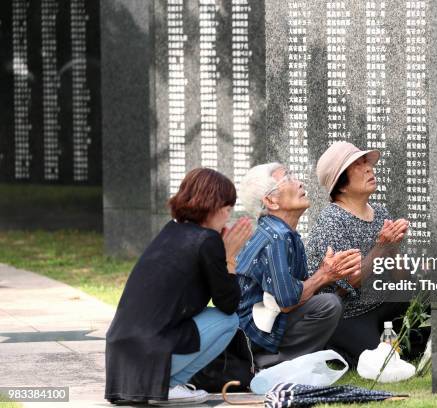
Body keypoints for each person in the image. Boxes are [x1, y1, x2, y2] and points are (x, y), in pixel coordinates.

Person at [105, 168, 252, 405]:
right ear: (213, 206)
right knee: (228, 321)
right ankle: (170, 386)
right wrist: (230, 258)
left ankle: (166, 385)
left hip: (121, 354)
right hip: (151, 352)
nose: (228, 217)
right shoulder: (207, 240)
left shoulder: (170, 230)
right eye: (227, 210)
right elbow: (228, 304)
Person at [236, 162, 362, 369]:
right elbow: (286, 302)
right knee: (329, 304)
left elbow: (294, 293)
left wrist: (327, 273)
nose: (300, 183)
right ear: (270, 201)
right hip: (255, 336)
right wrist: (325, 274)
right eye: (289, 178)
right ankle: (272, 365)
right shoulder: (276, 237)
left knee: (330, 300)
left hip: (265, 324)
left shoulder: (283, 233)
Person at [306, 141, 411, 367]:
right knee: (379, 362)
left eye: (367, 163)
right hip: (348, 314)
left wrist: (393, 248)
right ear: (341, 185)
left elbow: (401, 281)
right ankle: (335, 346)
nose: (369, 169)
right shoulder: (332, 220)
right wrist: (380, 248)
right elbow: (345, 285)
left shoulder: (381, 212)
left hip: (381, 303)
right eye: (358, 165)